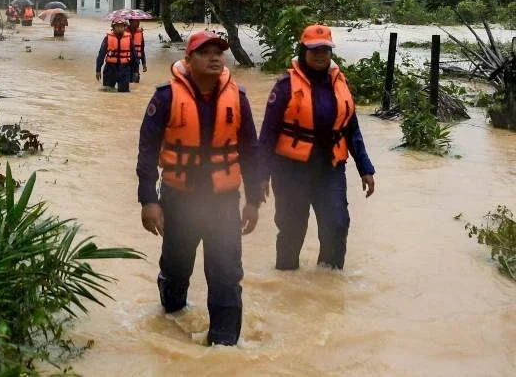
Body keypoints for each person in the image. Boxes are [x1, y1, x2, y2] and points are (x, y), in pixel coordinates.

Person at [136, 30, 263, 346]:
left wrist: (254, 201)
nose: (215, 58)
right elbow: (146, 152)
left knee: (226, 275)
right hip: (179, 200)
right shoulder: (165, 97)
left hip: (223, 203)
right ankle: (171, 314)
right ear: (188, 59)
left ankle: (224, 346)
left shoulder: (238, 97)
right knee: (177, 269)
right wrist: (148, 201)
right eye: (205, 53)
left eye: (219, 52)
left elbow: (250, 150)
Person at [258, 24, 376, 271]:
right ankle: (287, 284)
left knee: (337, 226)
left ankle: (328, 285)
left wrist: (365, 167)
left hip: (330, 170)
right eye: (314, 49)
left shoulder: (339, 83)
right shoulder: (285, 86)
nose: (320, 54)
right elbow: (268, 134)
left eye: (325, 49)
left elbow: (351, 128)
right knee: (292, 230)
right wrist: (260, 176)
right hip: (291, 171)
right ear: (303, 50)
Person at [96, 17, 135, 92]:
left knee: (124, 92)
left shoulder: (129, 39)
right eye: (117, 26)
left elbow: (134, 55)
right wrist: (98, 70)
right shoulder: (107, 38)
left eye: (121, 26)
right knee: (108, 91)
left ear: (124, 27)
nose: (119, 28)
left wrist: (135, 71)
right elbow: (101, 54)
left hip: (125, 68)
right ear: (113, 27)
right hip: (110, 68)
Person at [128, 18, 147, 83]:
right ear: (130, 22)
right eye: (136, 21)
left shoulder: (140, 33)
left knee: (136, 80)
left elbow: (141, 49)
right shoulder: (123, 32)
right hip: (126, 61)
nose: (138, 23)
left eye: (139, 21)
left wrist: (144, 63)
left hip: (136, 60)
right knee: (127, 80)